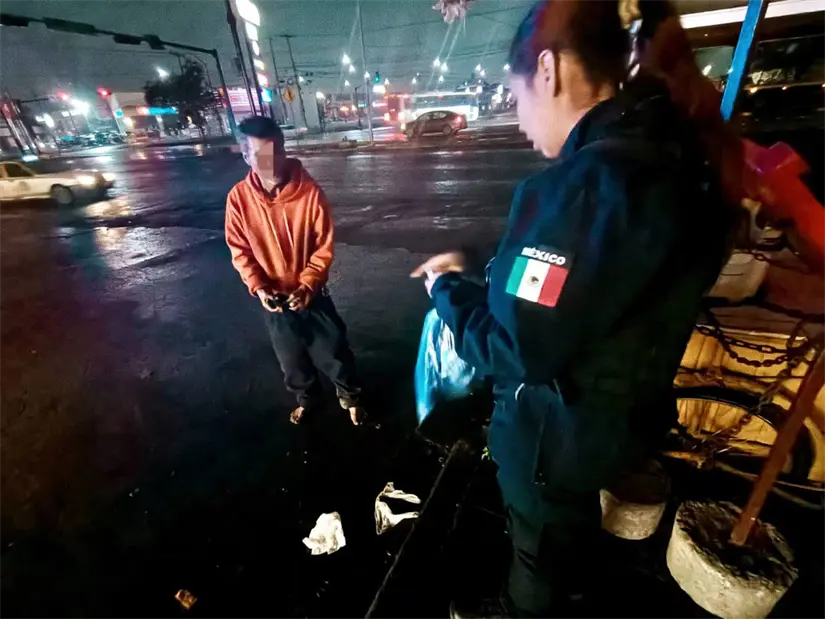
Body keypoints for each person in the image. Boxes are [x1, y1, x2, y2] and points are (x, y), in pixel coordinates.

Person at [412, 0, 747, 617]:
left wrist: (447, 290)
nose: (518, 120)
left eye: (515, 97)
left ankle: (527, 610)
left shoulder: (580, 190)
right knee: (569, 531)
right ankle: (569, 585)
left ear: (549, 70)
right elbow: (591, 287)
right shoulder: (677, 151)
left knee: (538, 543)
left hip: (557, 434)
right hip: (620, 412)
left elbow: (514, 349)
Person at [226, 116, 365, 426]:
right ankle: (307, 400)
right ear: (245, 156)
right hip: (273, 300)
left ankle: (351, 398)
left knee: (335, 351)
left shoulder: (310, 192)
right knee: (292, 361)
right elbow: (240, 249)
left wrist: (308, 285)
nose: (271, 162)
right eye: (261, 154)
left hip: (312, 295)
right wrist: (259, 287)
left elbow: (323, 247)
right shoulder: (238, 199)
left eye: (276, 151)